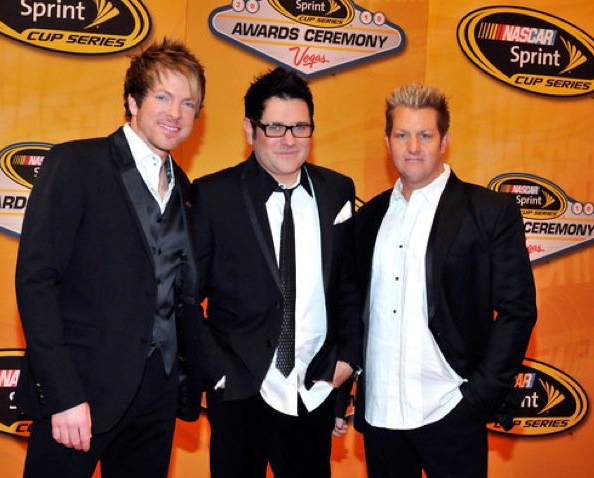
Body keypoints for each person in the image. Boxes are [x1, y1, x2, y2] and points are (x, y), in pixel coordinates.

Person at [14, 38, 206, 478]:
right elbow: (36, 281)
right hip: (79, 393)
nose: (176, 113)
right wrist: (62, 394)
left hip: (157, 395)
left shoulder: (186, 189)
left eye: (188, 103)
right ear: (133, 101)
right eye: (163, 97)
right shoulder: (76, 164)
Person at [354, 83, 537, 478]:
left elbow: (518, 310)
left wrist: (478, 397)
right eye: (402, 135)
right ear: (387, 142)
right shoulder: (368, 219)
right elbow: (352, 309)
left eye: (425, 135)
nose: (413, 147)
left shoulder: (489, 212)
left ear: (445, 141)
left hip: (451, 411)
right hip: (381, 417)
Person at [192, 67, 362, 478]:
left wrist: (348, 360)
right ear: (250, 130)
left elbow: (348, 285)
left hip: (314, 389)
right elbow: (185, 296)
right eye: (275, 127)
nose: (289, 139)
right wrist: (218, 373)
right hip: (240, 390)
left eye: (300, 127)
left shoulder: (337, 191)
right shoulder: (214, 195)